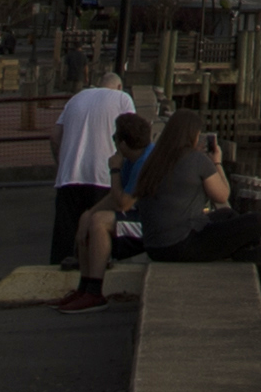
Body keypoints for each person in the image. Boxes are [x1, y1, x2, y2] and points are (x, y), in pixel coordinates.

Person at [61, 108, 247, 310]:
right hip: (165, 228)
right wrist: (88, 213)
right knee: (92, 217)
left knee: (99, 221)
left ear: (123, 143)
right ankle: (85, 288)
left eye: (115, 137)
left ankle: (94, 291)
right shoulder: (141, 159)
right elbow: (116, 199)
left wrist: (113, 170)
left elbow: (123, 203)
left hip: (153, 226)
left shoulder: (145, 160)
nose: (113, 142)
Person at [48, 65, 135, 269]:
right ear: (119, 86)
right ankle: (94, 275)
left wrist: (62, 163)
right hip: (102, 176)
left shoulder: (76, 98)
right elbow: (131, 134)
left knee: (66, 236)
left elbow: (54, 137)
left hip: (69, 176)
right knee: (97, 231)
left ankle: (56, 277)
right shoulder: (123, 99)